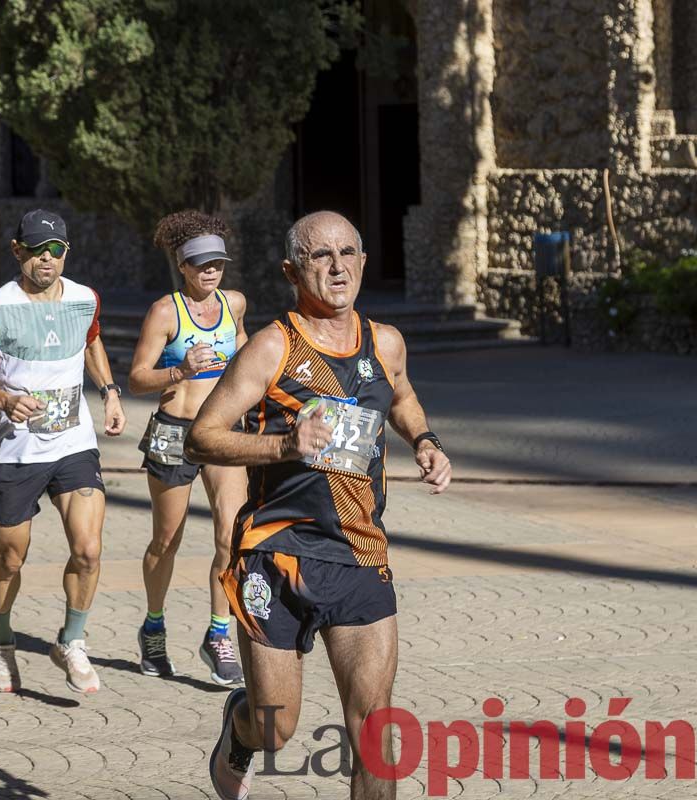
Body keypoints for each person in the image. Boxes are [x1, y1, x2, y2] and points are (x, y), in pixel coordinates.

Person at [186, 211, 452, 799]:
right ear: (291, 270)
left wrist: (426, 442)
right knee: (275, 727)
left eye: (348, 253)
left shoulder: (385, 342)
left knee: (375, 735)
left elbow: (401, 393)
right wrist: (284, 443)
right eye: (319, 256)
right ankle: (241, 727)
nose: (337, 267)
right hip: (274, 554)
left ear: (362, 260)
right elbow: (201, 436)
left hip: (359, 553)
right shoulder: (271, 347)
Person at [0, 209, 126, 695]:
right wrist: (4, 399)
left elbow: (91, 342)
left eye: (56, 250)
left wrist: (109, 391)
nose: (46, 259)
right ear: (17, 251)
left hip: (74, 444)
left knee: (88, 550)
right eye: (35, 250)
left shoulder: (84, 299)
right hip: (16, 451)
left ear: (66, 252)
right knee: (11, 557)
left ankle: (72, 641)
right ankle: (2, 642)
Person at [127, 210, 249, 685]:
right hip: (174, 433)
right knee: (167, 540)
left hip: (221, 431)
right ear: (183, 266)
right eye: (201, 264)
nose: (211, 271)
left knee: (230, 534)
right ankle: (154, 627)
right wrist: (180, 370)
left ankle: (219, 633)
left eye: (217, 262)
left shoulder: (233, 302)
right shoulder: (164, 311)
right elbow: (137, 377)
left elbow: (242, 349)